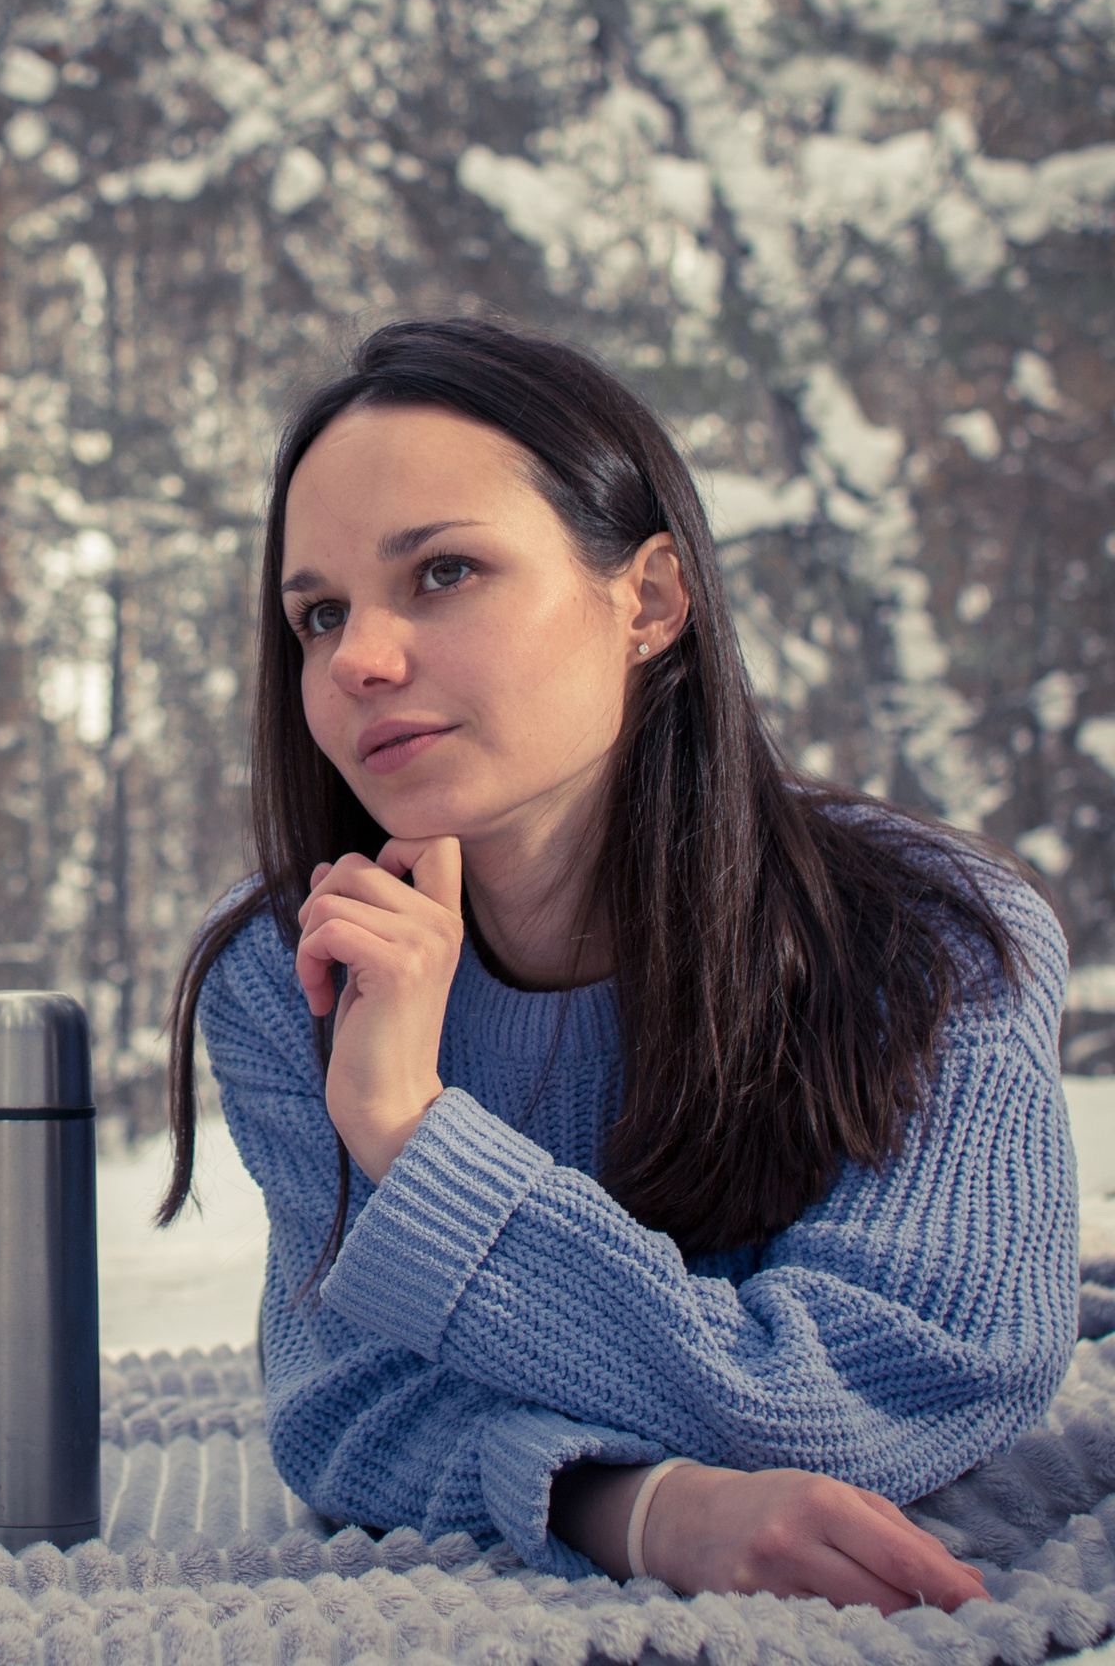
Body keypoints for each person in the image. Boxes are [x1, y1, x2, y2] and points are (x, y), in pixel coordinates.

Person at [163, 318, 1070, 1610]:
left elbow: (888, 1390)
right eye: (318, 614)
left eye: (442, 573)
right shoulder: (292, 967)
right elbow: (347, 1410)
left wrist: (419, 1143)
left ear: (647, 600)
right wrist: (630, 1505)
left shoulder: (934, 939)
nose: (357, 658)